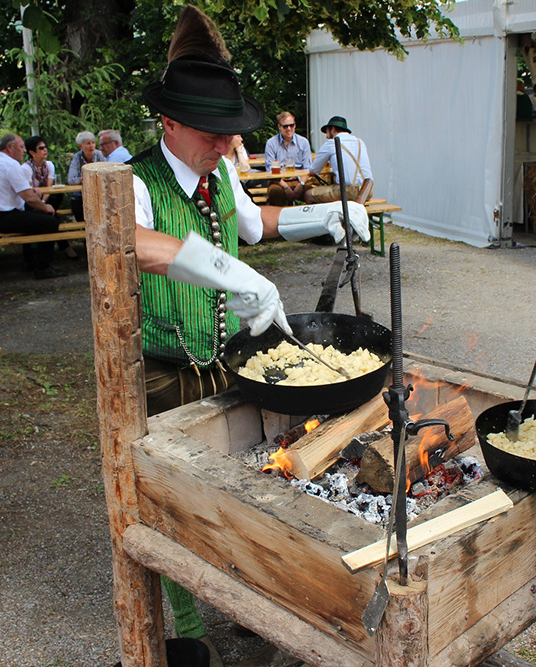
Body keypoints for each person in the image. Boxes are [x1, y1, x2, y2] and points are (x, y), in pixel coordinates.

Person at [127, 7, 370, 663]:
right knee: (169, 496)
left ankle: (248, 594)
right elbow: (137, 244)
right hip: (163, 364)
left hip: (230, 358)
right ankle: (187, 630)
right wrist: (220, 266)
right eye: (214, 132)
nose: (227, 144)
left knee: (247, 482)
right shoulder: (136, 179)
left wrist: (327, 214)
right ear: (170, 122)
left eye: (232, 132)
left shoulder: (220, 169)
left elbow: (256, 226)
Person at [0, 133, 65, 280]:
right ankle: (43, 268)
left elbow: (21, 192)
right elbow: (29, 198)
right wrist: (45, 207)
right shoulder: (10, 164)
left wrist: (32, 194)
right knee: (50, 221)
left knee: (37, 219)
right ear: (9, 147)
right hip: (1, 217)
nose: (24, 151)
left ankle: (30, 261)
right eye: (21, 147)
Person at [22, 135, 77, 260]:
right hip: (31, 204)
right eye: (41, 148)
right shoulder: (26, 168)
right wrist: (42, 206)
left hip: (43, 201)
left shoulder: (49, 165)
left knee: (56, 197)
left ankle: (34, 257)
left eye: (45, 147)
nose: (45, 150)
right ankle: (65, 246)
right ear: (32, 152)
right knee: (51, 217)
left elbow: (49, 188)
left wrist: (42, 203)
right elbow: (29, 192)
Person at [303, 115, 373, 204]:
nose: (327, 136)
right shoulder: (360, 142)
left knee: (308, 194)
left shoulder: (331, 143)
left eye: (327, 132)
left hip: (349, 191)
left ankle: (326, 217)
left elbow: (313, 170)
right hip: (368, 190)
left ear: (333, 129)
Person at [262, 111, 311, 206]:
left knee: (311, 193)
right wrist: (285, 186)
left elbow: (308, 168)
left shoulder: (303, 142)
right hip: (279, 181)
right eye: (285, 126)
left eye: (291, 125)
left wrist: (301, 184)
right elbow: (270, 169)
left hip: (299, 180)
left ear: (295, 125)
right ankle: (278, 218)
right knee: (275, 193)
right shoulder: (271, 143)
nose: (289, 129)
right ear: (279, 126)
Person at [67, 130, 107, 222]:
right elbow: (71, 179)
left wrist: (85, 179)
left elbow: (105, 174)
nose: (91, 146)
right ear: (80, 146)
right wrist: (88, 179)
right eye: (88, 143)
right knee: (77, 204)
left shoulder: (99, 155)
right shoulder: (77, 157)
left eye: (93, 143)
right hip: (80, 196)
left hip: (98, 193)